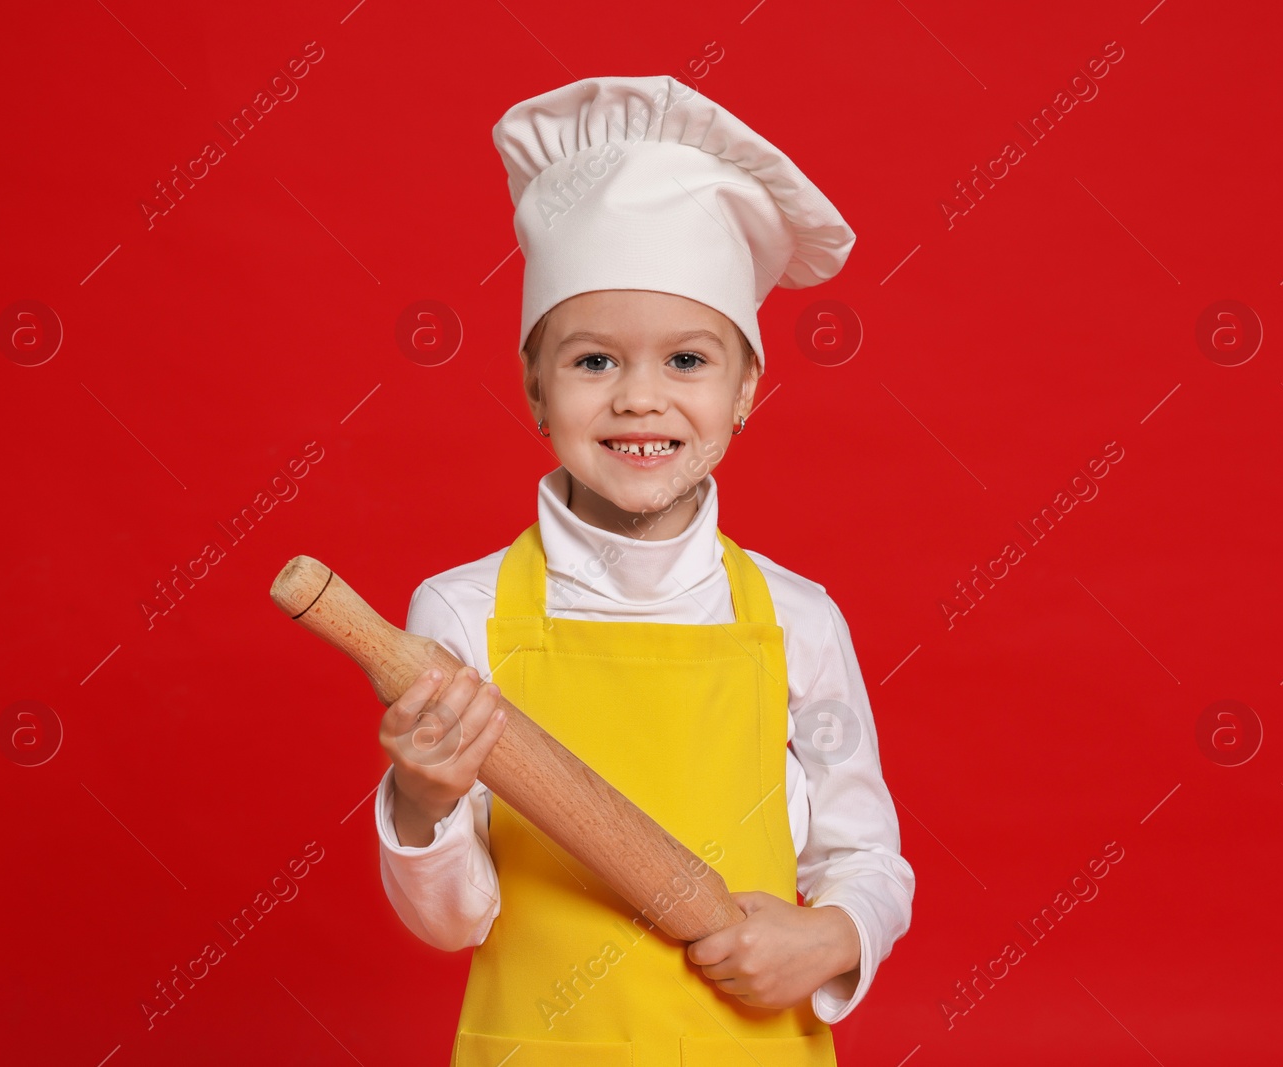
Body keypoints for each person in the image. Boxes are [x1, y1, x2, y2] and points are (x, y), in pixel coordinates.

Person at [372, 74, 914, 1065]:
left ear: (747, 387)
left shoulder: (796, 619)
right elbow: (451, 922)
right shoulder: (462, 612)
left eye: (687, 360)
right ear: (535, 384)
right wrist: (421, 798)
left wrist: (833, 935)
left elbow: (864, 855)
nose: (639, 400)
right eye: (592, 362)